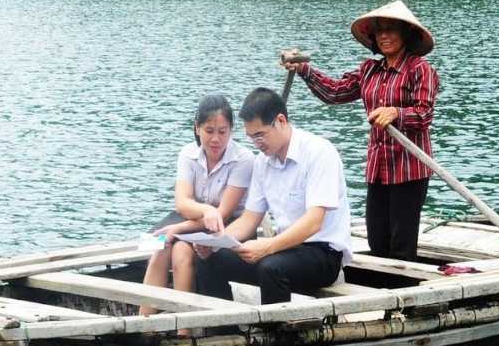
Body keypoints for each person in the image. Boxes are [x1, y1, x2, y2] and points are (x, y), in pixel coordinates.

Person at [284, 0, 439, 261]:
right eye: (380, 31)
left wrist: (396, 113)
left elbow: (424, 114)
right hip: (378, 168)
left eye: (391, 30)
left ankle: (402, 294)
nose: (385, 36)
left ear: (405, 34)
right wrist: (303, 69)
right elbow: (334, 92)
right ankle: (381, 292)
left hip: (408, 169)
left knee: (402, 243)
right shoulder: (370, 70)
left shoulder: (419, 70)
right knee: (377, 237)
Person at [194, 88, 353, 304]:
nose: (257, 143)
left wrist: (267, 247)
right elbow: (250, 219)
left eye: (260, 135)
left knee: (272, 268)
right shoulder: (262, 162)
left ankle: (276, 333)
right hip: (284, 248)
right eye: (251, 137)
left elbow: (314, 222)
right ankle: (223, 331)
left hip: (322, 253)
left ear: (281, 121)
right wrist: (215, 242)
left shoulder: (319, 152)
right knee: (209, 261)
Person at [140, 95, 254, 317]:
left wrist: (179, 229)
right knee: (158, 248)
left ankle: (184, 329)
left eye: (222, 131)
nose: (215, 139)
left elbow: (223, 213)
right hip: (193, 215)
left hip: (226, 223)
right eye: (209, 131)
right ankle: (143, 323)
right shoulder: (188, 154)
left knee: (181, 251)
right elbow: (182, 203)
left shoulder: (244, 159)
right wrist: (205, 210)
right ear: (197, 128)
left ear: (231, 130)